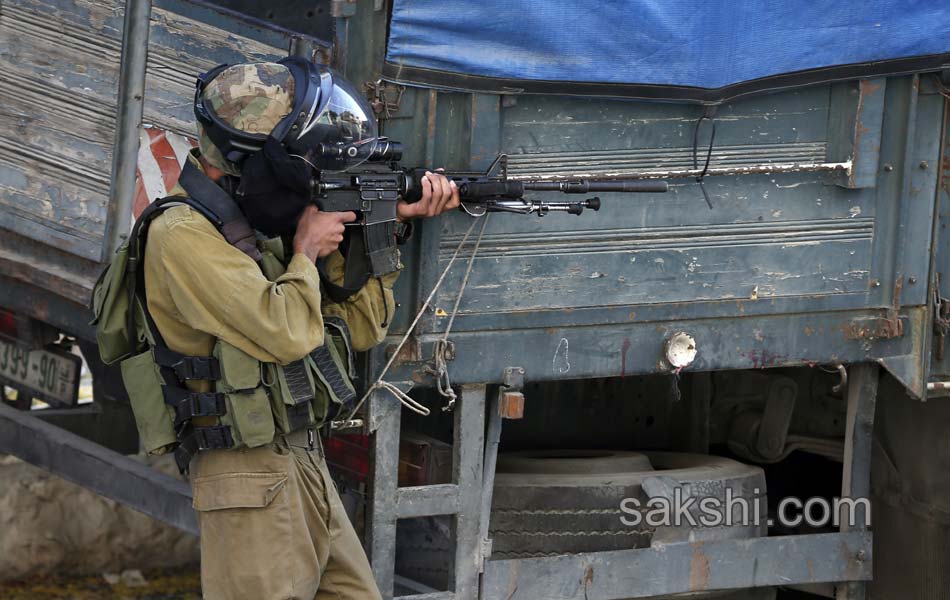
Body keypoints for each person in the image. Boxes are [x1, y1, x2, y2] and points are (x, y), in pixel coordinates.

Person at [142, 59, 459, 599]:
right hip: (245, 474)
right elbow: (287, 331)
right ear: (250, 160)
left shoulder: (249, 223)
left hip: (299, 460)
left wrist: (379, 222)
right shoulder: (181, 235)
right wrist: (307, 249)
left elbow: (359, 331)